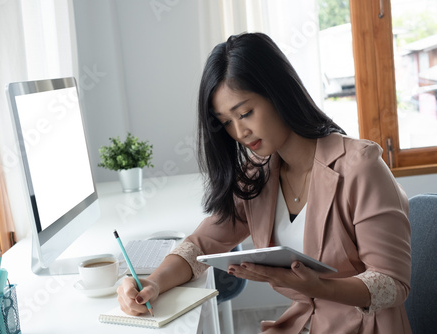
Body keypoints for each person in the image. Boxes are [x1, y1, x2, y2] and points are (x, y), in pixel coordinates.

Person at [116, 32, 411, 333]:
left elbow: (392, 283)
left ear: (279, 93)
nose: (239, 132)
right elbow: (201, 244)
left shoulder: (361, 167)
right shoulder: (258, 174)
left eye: (245, 113)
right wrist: (153, 282)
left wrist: (320, 286)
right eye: (226, 122)